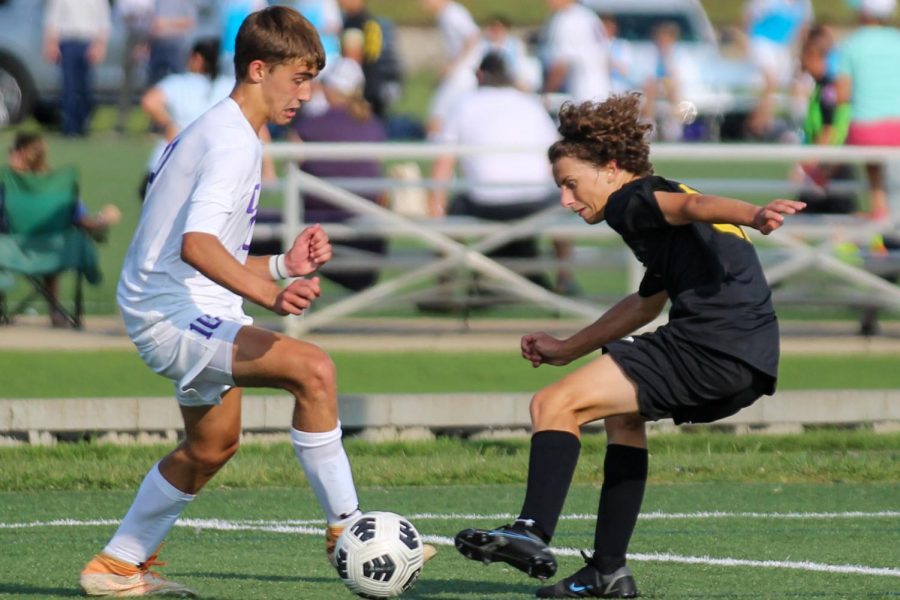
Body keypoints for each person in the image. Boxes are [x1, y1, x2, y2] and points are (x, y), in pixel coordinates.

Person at [77, 7, 382, 597]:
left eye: (312, 79)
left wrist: (280, 265)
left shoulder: (228, 130)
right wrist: (272, 294)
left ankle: (115, 567)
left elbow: (197, 247)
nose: (306, 94)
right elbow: (196, 247)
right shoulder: (232, 142)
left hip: (180, 304)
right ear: (258, 69)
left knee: (212, 445)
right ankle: (351, 530)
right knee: (313, 370)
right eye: (298, 78)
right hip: (171, 313)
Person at [453, 92, 805, 598]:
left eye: (571, 185)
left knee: (553, 403)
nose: (567, 200)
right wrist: (568, 347)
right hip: (748, 360)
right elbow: (644, 305)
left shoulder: (630, 200)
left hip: (709, 346)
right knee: (623, 418)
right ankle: (608, 572)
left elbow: (693, 205)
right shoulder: (656, 210)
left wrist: (756, 213)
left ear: (612, 168)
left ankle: (529, 531)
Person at [429, 53, 576, 294]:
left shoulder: (464, 103)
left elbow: (442, 167)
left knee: (453, 212)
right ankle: (564, 278)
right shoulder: (530, 104)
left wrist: (436, 214)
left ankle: (446, 282)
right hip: (537, 201)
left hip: (485, 202)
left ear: (479, 75)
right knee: (560, 207)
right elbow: (558, 158)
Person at [276, 56, 389, 292]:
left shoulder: (308, 125)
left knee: (263, 227)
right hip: (367, 234)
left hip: (316, 231)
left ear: (328, 88)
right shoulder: (373, 125)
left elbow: (291, 169)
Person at [4, 132, 121, 327]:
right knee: (54, 241)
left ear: (19, 153)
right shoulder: (58, 184)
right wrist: (103, 219)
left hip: (11, 250)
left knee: (47, 240)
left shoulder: (5, 183)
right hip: (55, 251)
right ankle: (55, 312)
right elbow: (82, 220)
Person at [139, 38, 236, 198]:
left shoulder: (178, 83)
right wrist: (268, 168)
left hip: (170, 161)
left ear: (197, 59)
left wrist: (168, 124)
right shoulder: (230, 86)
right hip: (214, 163)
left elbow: (149, 101)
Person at [835, 0, 900, 221]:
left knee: (875, 172)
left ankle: (878, 209)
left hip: (866, 130)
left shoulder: (852, 44)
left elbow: (842, 94)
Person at [742, 0, 814, 138]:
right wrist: (747, 42)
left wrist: (800, 52)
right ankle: (759, 126)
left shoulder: (803, 4)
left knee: (800, 83)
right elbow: (749, 17)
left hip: (783, 47)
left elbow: (803, 28)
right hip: (762, 43)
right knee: (771, 82)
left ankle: (799, 126)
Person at [42, 0, 111, 137]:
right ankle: (70, 126)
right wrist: (50, 43)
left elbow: (104, 21)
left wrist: (101, 45)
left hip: (89, 41)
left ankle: (83, 123)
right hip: (68, 41)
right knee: (69, 87)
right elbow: (53, 20)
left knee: (85, 87)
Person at [421, 0, 482, 136]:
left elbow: (473, 37)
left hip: (463, 74)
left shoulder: (452, 14)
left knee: (436, 117)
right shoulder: (445, 14)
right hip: (462, 73)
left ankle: (437, 151)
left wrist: (453, 66)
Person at [337, 0, 404, 118]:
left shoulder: (360, 22)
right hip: (369, 86)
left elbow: (361, 58)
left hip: (366, 88)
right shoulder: (362, 21)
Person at [541, 0, 611, 105]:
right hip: (604, 89)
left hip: (583, 94)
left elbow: (561, 66)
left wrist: (545, 94)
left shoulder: (566, 20)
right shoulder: (588, 15)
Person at [147, 0, 197, 87]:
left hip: (176, 46)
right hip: (157, 45)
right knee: (155, 82)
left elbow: (190, 21)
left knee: (179, 81)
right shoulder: (157, 2)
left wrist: (166, 23)